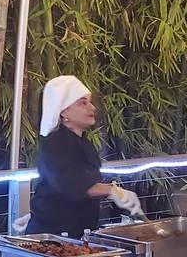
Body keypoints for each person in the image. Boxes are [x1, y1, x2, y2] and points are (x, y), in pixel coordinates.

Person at [26, 76, 142, 236]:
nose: (92, 108)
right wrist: (114, 191)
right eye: (82, 102)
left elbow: (88, 181)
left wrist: (114, 192)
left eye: (90, 102)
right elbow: (74, 184)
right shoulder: (55, 144)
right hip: (54, 235)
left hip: (81, 230)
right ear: (64, 111)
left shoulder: (84, 142)